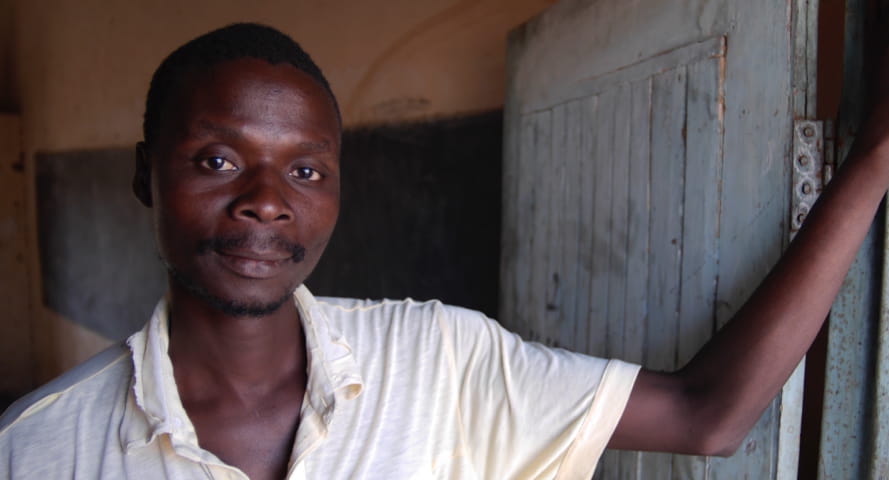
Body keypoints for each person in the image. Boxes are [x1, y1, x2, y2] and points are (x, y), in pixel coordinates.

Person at [1, 22, 887, 480]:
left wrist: (873, 160)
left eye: (306, 168)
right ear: (145, 175)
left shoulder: (440, 360)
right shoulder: (39, 451)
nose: (267, 200)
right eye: (217, 159)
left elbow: (707, 415)